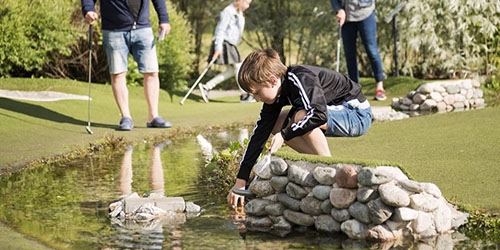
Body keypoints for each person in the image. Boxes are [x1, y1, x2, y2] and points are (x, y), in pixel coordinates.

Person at [227, 48, 372, 208]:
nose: (256, 99)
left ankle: (329, 169)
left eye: (257, 92)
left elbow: (318, 114)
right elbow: (260, 133)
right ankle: (315, 163)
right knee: (276, 123)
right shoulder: (275, 95)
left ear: (273, 80)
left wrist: (284, 135)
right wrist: (240, 181)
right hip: (332, 112)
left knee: (302, 116)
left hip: (356, 113)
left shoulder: (300, 77)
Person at [81, 0, 172, 130]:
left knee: (151, 72)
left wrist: (164, 19)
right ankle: (126, 117)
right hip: (114, 30)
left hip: (143, 28)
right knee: (118, 74)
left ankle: (153, 116)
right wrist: (88, 10)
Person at [330, 0, 387, 101]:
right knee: (350, 55)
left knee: (372, 51)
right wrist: (339, 9)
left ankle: (380, 87)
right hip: (347, 16)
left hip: (365, 12)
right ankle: (354, 90)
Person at [198, 0, 254, 103]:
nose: (248, 6)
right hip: (224, 43)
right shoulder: (227, 11)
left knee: (231, 71)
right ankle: (245, 94)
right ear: (240, 1)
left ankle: (206, 87)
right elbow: (220, 29)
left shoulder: (239, 14)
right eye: (246, 3)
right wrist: (218, 47)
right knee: (239, 67)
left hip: (231, 44)